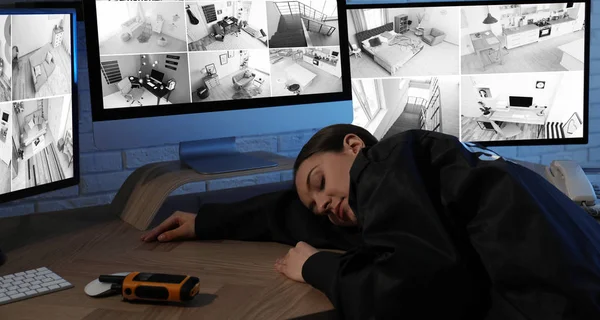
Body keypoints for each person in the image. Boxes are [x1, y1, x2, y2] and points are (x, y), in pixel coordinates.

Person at [141, 125, 600, 319]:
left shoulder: (387, 161)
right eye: (316, 205)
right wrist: (208, 221)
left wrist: (316, 268)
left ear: (355, 146)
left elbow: (411, 293)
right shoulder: (422, 175)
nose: (323, 204)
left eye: (319, 182)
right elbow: (290, 212)